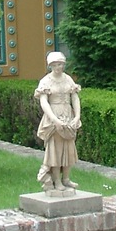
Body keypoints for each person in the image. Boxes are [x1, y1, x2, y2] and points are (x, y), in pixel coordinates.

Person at [35, 51, 81, 192]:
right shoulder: (45, 81)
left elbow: (74, 98)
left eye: (60, 64)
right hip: (53, 117)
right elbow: (44, 102)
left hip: (68, 114)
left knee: (68, 148)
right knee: (55, 150)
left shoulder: (68, 79)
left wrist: (77, 116)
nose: (57, 67)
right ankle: (56, 180)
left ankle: (66, 179)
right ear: (50, 66)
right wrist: (54, 120)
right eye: (54, 65)